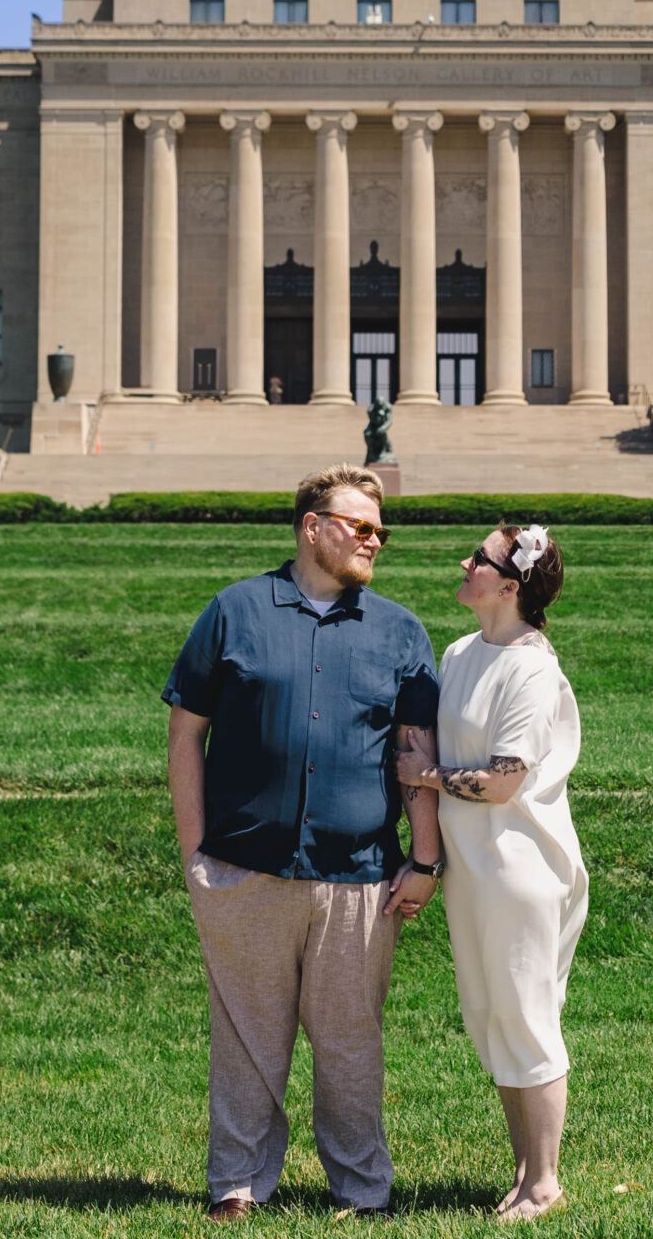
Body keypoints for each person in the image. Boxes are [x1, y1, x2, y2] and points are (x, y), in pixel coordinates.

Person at [163, 466, 443, 1224]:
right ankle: (237, 1184)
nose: (374, 538)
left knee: (351, 1042)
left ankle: (361, 1188)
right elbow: (186, 733)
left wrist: (424, 860)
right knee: (247, 1037)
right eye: (360, 526)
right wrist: (196, 851)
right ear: (313, 527)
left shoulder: (399, 629)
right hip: (243, 869)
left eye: (380, 529)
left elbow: (415, 756)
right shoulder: (234, 610)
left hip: (358, 875)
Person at [396, 522, 586, 1223]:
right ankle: (522, 1172)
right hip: (474, 869)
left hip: (519, 865)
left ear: (509, 586)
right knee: (490, 1019)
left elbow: (505, 780)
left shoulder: (532, 669)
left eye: (478, 557)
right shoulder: (461, 651)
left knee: (525, 1018)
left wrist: (428, 775)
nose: (463, 561)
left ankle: (544, 1183)